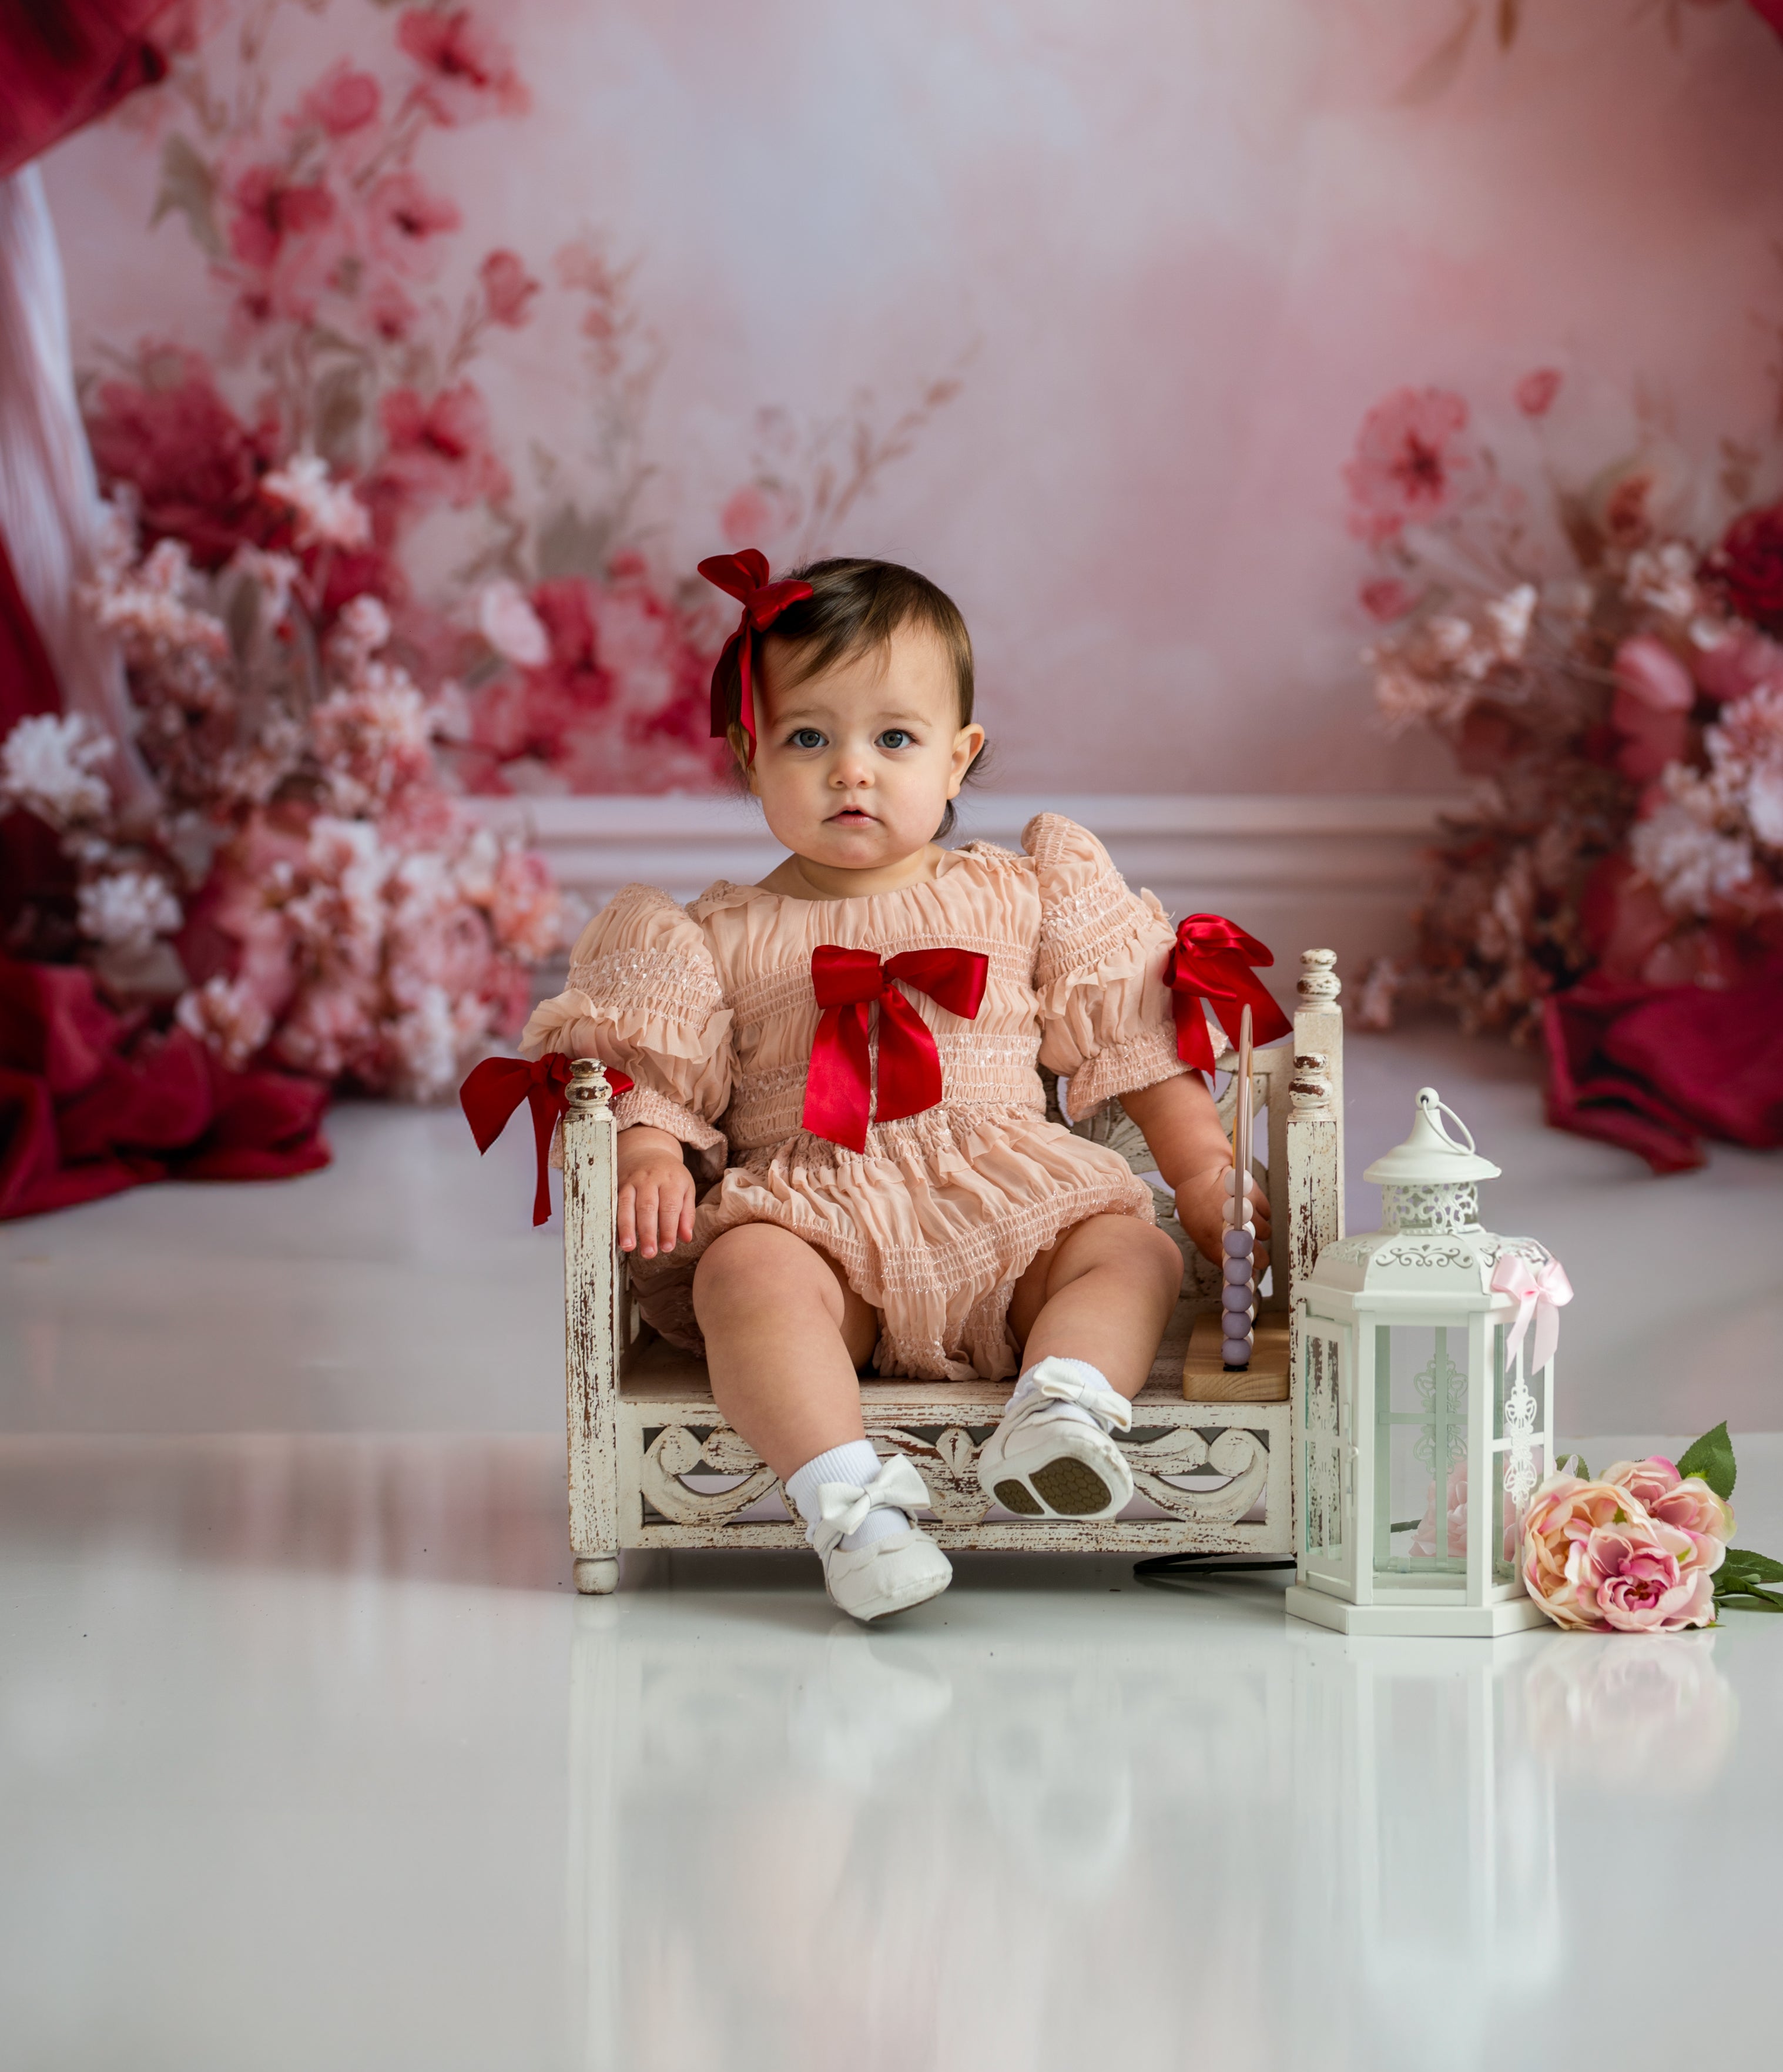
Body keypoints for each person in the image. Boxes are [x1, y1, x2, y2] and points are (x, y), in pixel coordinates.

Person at [521, 551, 1261, 1622]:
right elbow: (656, 1082)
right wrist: (645, 1150)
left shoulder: (1022, 890)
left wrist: (1202, 1170)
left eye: (894, 739)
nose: (850, 771)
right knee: (746, 1279)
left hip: (1014, 1201)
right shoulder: (705, 935)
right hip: (821, 1216)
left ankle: (1062, 1412)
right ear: (749, 754)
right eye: (807, 737)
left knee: (1129, 1245)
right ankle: (852, 1510)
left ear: (959, 759)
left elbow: (1133, 1044)